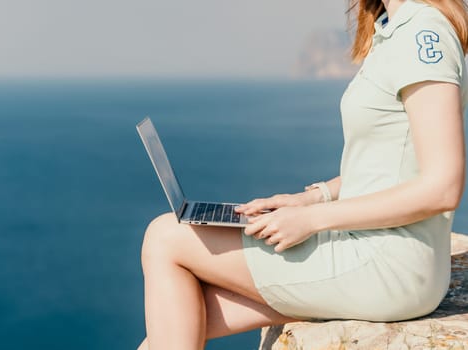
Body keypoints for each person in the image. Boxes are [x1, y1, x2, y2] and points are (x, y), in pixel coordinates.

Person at [138, 0, 468, 349]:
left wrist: (312, 219)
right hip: (377, 251)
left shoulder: (423, 33)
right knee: (172, 324)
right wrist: (311, 198)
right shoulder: (392, 27)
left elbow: (442, 187)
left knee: (165, 238)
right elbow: (388, 165)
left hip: (389, 264)